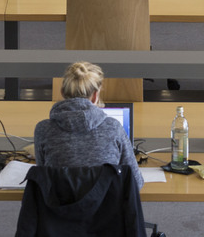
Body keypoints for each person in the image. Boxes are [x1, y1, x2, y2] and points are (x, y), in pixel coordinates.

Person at [33, 61, 144, 192]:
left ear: (62, 92)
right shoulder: (113, 128)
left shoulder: (43, 129)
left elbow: (43, 180)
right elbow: (136, 182)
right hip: (105, 211)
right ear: (95, 95)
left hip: (59, 211)